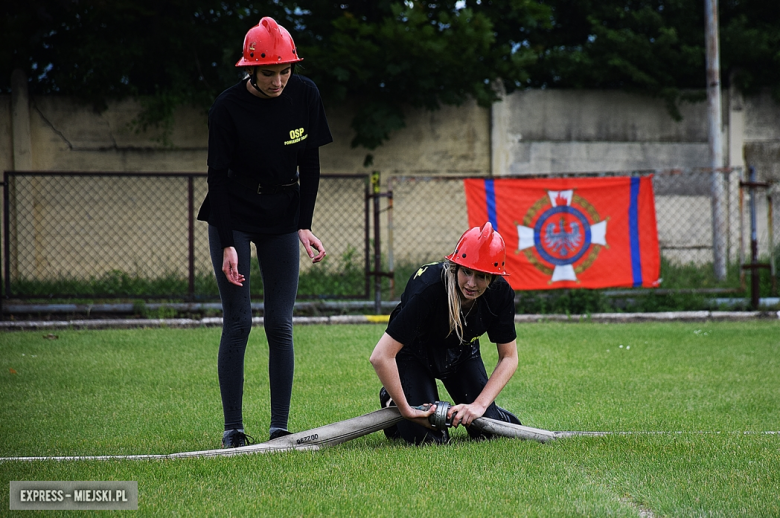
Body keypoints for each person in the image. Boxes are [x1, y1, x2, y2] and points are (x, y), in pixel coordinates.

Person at [197, 17, 333, 448]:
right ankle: (233, 429)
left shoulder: (306, 94)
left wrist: (303, 224)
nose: (278, 81)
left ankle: (279, 427)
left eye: (285, 71)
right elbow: (216, 176)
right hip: (233, 210)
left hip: (281, 212)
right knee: (238, 321)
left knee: (280, 323)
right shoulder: (226, 108)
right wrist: (226, 245)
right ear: (249, 70)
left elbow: (309, 164)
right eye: (269, 73)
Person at [369, 222, 522, 444]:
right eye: (466, 272)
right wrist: (406, 410)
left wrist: (479, 406)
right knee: (430, 439)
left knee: (489, 432)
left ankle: (492, 412)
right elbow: (381, 356)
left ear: (493, 278)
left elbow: (509, 357)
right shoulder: (429, 287)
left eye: (481, 276)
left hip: (461, 354)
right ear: (455, 266)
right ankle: (391, 398)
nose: (471, 283)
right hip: (414, 354)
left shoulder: (501, 294)